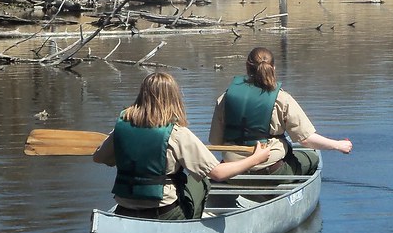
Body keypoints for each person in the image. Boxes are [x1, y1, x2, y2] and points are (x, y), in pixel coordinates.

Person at [93, 71, 271, 219]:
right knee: (201, 180)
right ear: (173, 98)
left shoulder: (122, 127)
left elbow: (98, 157)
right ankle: (193, 225)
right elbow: (218, 173)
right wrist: (256, 159)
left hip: (125, 209)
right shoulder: (176, 134)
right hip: (163, 212)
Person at [209, 46, 353, 177]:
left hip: (231, 171)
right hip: (270, 170)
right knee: (312, 158)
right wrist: (338, 145)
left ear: (247, 67)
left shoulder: (225, 98)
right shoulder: (282, 99)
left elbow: (215, 140)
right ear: (274, 68)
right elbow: (306, 139)